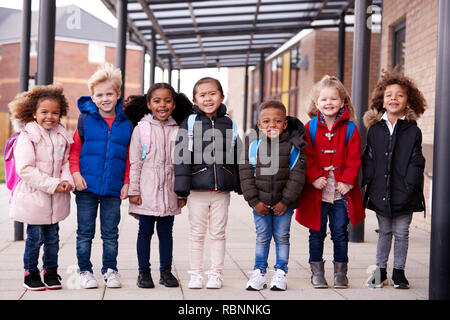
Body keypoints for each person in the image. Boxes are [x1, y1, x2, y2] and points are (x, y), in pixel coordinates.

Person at [295, 75, 365, 289]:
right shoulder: (309, 127)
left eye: (334, 99)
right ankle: (317, 273)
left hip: (341, 191)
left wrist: (348, 181)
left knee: (340, 231)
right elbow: (306, 155)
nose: (329, 103)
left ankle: (340, 273)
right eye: (324, 99)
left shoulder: (351, 128)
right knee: (316, 232)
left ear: (342, 102)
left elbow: (354, 158)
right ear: (317, 103)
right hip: (318, 190)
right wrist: (314, 176)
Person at [123, 82, 193, 289]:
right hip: (146, 191)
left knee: (166, 233)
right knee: (144, 232)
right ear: (149, 104)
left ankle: (166, 271)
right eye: (157, 101)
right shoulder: (141, 129)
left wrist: (182, 192)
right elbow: (135, 162)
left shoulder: (179, 129)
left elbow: (182, 163)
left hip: (169, 191)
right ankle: (143, 272)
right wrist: (134, 190)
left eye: (167, 100)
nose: (162, 105)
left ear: (173, 104)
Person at [174, 77, 241, 289]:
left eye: (212, 93)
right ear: (195, 99)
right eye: (202, 95)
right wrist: (181, 191)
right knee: (197, 233)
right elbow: (182, 156)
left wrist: (238, 183)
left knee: (218, 233)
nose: (208, 98)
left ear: (222, 96)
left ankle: (216, 274)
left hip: (221, 190)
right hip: (197, 189)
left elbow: (237, 155)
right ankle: (195, 274)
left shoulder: (229, 123)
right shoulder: (190, 122)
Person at [69, 63, 132, 289]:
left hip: (113, 188)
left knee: (110, 233)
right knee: (85, 232)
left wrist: (126, 182)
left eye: (109, 94)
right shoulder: (85, 120)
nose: (104, 99)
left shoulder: (126, 123)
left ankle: (110, 270)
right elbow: (75, 150)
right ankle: (85, 270)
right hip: (86, 186)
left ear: (117, 95)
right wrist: (75, 174)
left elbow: (128, 156)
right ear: (93, 97)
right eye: (99, 95)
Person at [362, 71, 427, 289]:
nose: (394, 98)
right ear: (382, 99)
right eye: (389, 94)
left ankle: (399, 272)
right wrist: (369, 182)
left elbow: (417, 161)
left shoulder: (412, 130)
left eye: (400, 95)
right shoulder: (375, 130)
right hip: (381, 191)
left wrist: (410, 185)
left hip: (405, 191)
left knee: (402, 233)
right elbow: (369, 158)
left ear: (409, 100)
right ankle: (380, 272)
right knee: (384, 232)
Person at [8, 85, 74, 291]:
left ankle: (51, 271)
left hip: (56, 200)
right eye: (44, 112)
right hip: (34, 198)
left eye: (55, 112)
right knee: (35, 239)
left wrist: (66, 181)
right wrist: (54, 185)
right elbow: (25, 169)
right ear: (34, 113)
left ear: (61, 113)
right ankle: (31, 272)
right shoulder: (27, 137)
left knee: (53, 239)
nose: (50, 116)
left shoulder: (62, 135)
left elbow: (66, 162)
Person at [239, 100, 306, 291]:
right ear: (259, 125)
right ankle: (259, 272)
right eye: (266, 121)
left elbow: (298, 176)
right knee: (262, 236)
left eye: (277, 121)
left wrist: (285, 201)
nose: (272, 125)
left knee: (282, 236)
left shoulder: (294, 147)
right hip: (259, 203)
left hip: (283, 204)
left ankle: (280, 273)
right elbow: (245, 173)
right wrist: (253, 201)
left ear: (285, 124)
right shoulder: (252, 145)